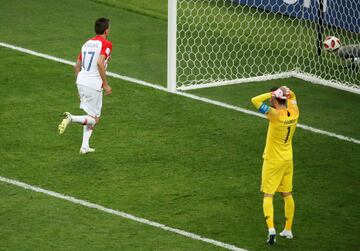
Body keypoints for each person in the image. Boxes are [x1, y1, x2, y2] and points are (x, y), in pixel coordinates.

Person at [251, 86, 299, 245]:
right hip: (288, 160)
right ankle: (288, 229)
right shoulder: (294, 111)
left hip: (273, 161)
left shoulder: (274, 115)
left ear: (275, 99)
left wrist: (271, 93)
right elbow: (293, 95)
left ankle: (271, 230)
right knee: (287, 193)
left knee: (268, 195)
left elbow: (255, 100)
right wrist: (286, 91)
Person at [58, 17, 113, 154]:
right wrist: (105, 84)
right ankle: (71, 118)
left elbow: (77, 66)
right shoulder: (106, 44)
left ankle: (85, 146)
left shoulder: (86, 43)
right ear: (106, 31)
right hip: (93, 84)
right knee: (94, 120)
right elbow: (100, 63)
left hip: (81, 80)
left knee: (90, 115)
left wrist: (80, 86)